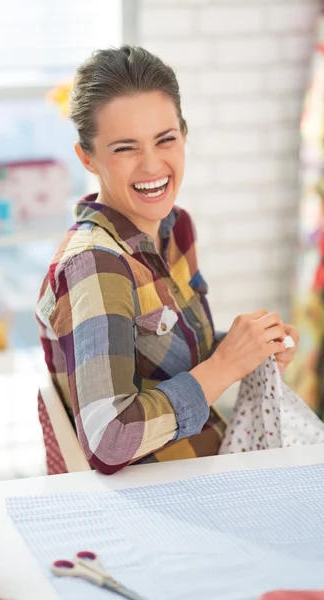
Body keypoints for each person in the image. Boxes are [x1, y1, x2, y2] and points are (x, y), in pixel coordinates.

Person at [36, 46, 299, 475]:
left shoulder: (175, 228)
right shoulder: (95, 266)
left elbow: (166, 357)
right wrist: (226, 364)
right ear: (88, 158)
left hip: (209, 463)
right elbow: (110, 440)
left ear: (184, 133)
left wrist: (250, 348)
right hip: (154, 500)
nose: (153, 164)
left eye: (166, 139)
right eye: (125, 148)